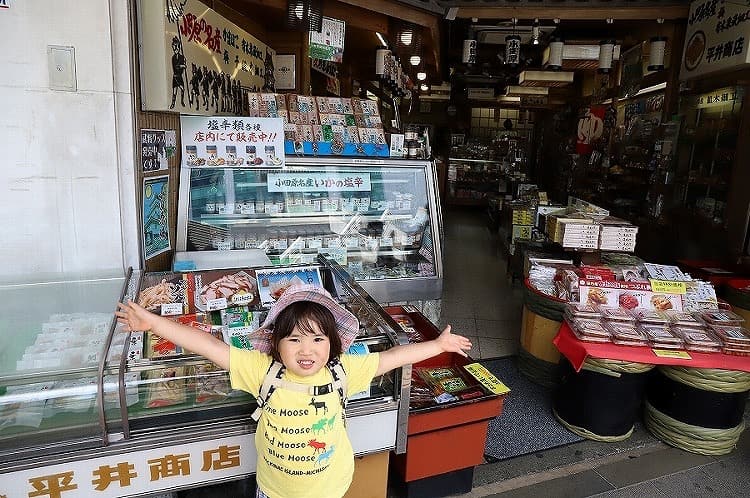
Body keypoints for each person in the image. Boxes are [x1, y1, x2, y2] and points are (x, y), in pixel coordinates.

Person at [116, 284, 471, 498]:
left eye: (318, 339)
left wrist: (438, 345)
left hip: (329, 488)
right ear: (276, 343)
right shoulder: (261, 370)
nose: (307, 350)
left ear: (332, 344)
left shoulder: (343, 370)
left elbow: (394, 356)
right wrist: (153, 323)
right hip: (275, 490)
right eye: (295, 339)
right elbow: (207, 345)